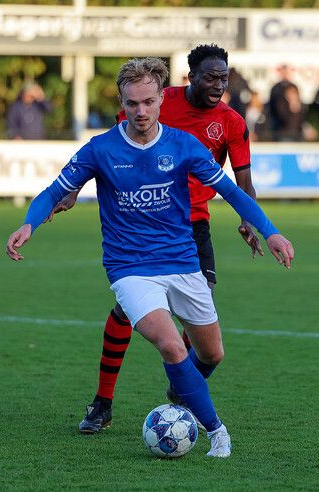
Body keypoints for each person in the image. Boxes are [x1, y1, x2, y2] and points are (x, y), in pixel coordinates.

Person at [5, 57, 295, 458]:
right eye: (131, 103)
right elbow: (55, 191)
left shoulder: (183, 145)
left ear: (162, 99)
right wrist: (29, 224)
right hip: (131, 269)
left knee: (212, 354)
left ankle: (183, 394)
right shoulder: (101, 149)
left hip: (182, 261)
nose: (140, 111)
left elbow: (231, 191)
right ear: (121, 103)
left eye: (147, 102)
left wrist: (271, 230)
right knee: (173, 347)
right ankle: (217, 432)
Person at [47, 45, 264, 435]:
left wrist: (252, 220)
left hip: (193, 226)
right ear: (190, 78)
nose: (218, 85)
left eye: (223, 78)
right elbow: (114, 150)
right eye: (210, 77)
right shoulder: (154, 101)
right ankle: (103, 402)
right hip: (146, 221)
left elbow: (242, 179)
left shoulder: (231, 122)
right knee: (126, 312)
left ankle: (182, 387)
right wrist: (74, 188)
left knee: (204, 334)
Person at [267, 64, 300, 140]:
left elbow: (298, 110)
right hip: (279, 127)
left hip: (294, 130)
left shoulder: (294, 86)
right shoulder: (276, 88)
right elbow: (273, 107)